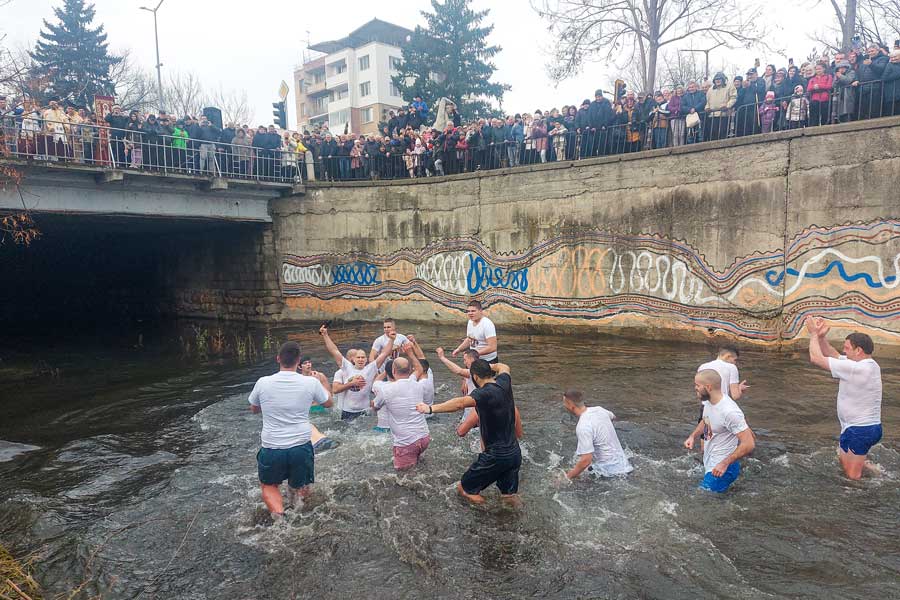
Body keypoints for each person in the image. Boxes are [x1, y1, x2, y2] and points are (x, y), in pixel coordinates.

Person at [417, 360, 523, 505]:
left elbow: (459, 403)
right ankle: (513, 515)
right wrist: (486, 366)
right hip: (514, 453)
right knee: (509, 495)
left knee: (465, 489)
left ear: (475, 377)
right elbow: (504, 366)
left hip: (495, 456)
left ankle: (489, 513)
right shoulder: (504, 382)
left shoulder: (483, 393)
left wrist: (430, 409)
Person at [248, 341, 329, 519]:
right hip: (300, 446)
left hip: (272, 447)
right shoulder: (310, 382)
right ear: (298, 361)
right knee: (302, 485)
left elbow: (253, 409)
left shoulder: (263, 382)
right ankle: (300, 515)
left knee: (269, 486)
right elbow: (328, 403)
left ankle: (280, 517)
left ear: (278, 359)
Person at [805, 317, 882, 480]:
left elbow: (816, 358)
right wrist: (821, 337)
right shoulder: (868, 364)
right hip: (861, 428)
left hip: (859, 430)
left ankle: (862, 492)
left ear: (858, 350)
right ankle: (877, 472)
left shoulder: (857, 368)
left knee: (852, 477)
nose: (844, 351)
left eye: (847, 348)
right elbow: (832, 354)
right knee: (843, 460)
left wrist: (813, 334)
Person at [683, 370, 755, 493]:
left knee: (700, 498)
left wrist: (724, 464)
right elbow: (706, 420)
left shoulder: (729, 412)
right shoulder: (709, 401)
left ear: (708, 387)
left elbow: (749, 443)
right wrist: (693, 436)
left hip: (723, 468)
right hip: (711, 462)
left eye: (697, 385)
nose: (695, 388)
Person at [321, 323, 393, 421]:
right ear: (353, 359)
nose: (360, 359)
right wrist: (325, 335)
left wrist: (391, 340)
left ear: (366, 359)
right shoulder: (346, 368)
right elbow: (334, 351)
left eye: (363, 357)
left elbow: (384, 353)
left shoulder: (370, 369)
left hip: (365, 411)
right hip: (347, 411)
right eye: (358, 357)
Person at [372, 354, 432, 470]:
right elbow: (419, 369)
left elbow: (375, 406)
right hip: (424, 437)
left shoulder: (385, 390)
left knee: (403, 475)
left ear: (393, 371)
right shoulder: (418, 384)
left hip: (406, 442)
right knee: (419, 467)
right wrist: (410, 352)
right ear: (410, 370)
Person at [561, 389, 632, 480]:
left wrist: (566, 477)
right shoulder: (600, 410)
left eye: (564, 403)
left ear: (571, 405)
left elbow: (586, 461)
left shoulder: (583, 426)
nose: (564, 405)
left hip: (610, 475)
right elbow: (613, 417)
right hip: (625, 466)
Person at [436, 347, 481, 437]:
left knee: (461, 434)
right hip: (475, 410)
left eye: (465, 360)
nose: (464, 362)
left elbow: (458, 371)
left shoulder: (475, 372)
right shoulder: (481, 369)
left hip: (473, 412)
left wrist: (442, 357)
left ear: (471, 359)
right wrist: (464, 380)